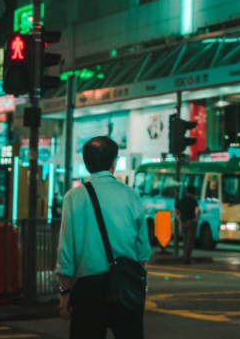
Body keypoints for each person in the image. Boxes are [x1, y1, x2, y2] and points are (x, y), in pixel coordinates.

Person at [57, 136, 151, 339]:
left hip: (88, 286)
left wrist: (65, 293)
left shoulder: (73, 197)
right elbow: (142, 250)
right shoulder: (131, 195)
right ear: (113, 161)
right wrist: (138, 285)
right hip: (126, 283)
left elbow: (66, 251)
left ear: (86, 163)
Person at [174, 185, 200, 264]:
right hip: (190, 222)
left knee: (185, 241)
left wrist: (178, 219)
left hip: (183, 222)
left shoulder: (182, 199)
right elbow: (198, 210)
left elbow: (175, 210)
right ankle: (186, 259)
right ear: (193, 192)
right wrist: (197, 218)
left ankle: (184, 258)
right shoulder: (193, 200)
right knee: (189, 242)